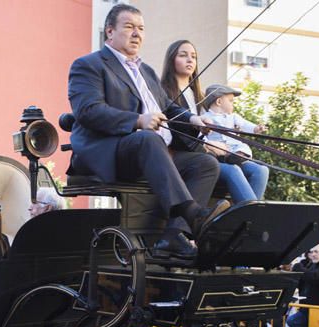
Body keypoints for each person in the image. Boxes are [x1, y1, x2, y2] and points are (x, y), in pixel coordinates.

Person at [67, 4, 226, 262]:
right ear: (109, 31)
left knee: (205, 163)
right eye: (129, 27)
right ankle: (193, 213)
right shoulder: (89, 65)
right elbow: (88, 111)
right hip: (112, 150)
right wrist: (138, 120)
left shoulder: (146, 71)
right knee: (148, 139)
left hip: (154, 152)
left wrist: (194, 118)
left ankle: (174, 235)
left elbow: (169, 108)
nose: (136, 34)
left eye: (141, 28)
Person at [201, 84, 270, 203]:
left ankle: (238, 156)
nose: (233, 104)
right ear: (218, 101)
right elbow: (201, 138)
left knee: (262, 170)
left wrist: (256, 128)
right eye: (231, 101)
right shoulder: (205, 118)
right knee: (233, 167)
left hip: (234, 149)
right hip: (218, 156)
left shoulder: (233, 117)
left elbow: (246, 125)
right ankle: (252, 215)